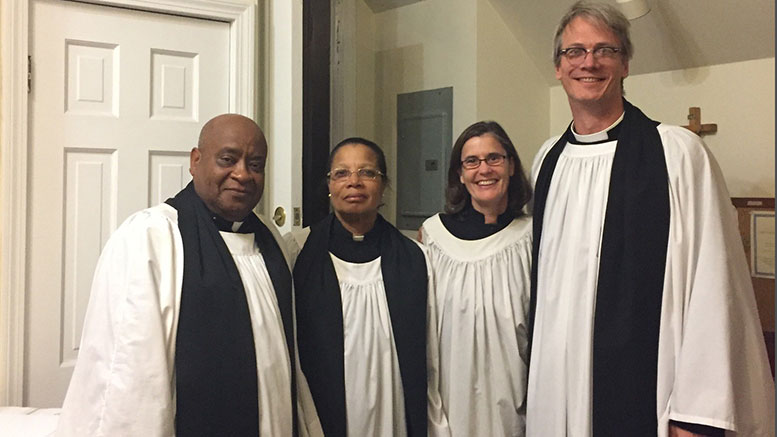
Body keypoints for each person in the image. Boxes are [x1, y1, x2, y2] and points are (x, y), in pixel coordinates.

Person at [527, 2, 774, 437]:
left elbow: (714, 281)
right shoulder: (548, 159)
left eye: (605, 50)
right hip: (556, 389)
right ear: (558, 68)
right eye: (575, 52)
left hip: (647, 390)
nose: (589, 61)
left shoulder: (676, 153)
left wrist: (698, 410)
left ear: (625, 64)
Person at [57, 114, 299, 436]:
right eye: (228, 159)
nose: (242, 174)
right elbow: (130, 377)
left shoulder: (269, 238)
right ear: (196, 161)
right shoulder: (150, 237)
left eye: (255, 164)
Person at [286, 138, 450, 437]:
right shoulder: (298, 251)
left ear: (383, 185)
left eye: (367, 172)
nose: (354, 182)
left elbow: (431, 353)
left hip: (393, 408)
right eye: (342, 173)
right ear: (329, 184)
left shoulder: (415, 257)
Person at [418, 121, 532, 436]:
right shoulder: (433, 237)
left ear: (510, 166)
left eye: (494, 158)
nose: (484, 169)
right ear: (460, 173)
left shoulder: (531, 237)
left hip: (513, 400)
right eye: (472, 161)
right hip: (450, 400)